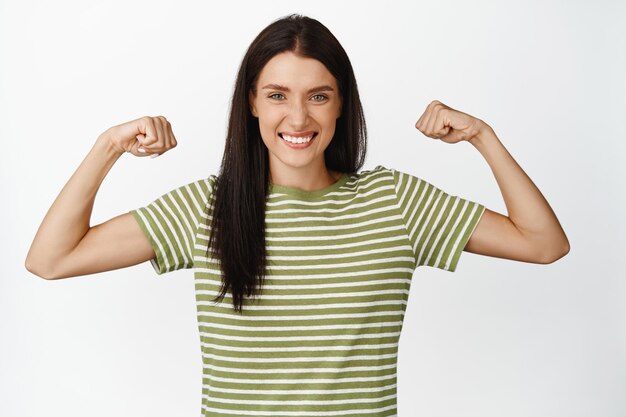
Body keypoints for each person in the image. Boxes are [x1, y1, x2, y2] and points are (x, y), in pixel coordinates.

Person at [25, 13, 569, 417]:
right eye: (278, 95)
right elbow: (51, 259)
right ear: (253, 103)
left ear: (340, 105)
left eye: (318, 96)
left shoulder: (395, 203)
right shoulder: (208, 207)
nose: (298, 116)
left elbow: (543, 243)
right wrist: (107, 146)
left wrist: (481, 136)